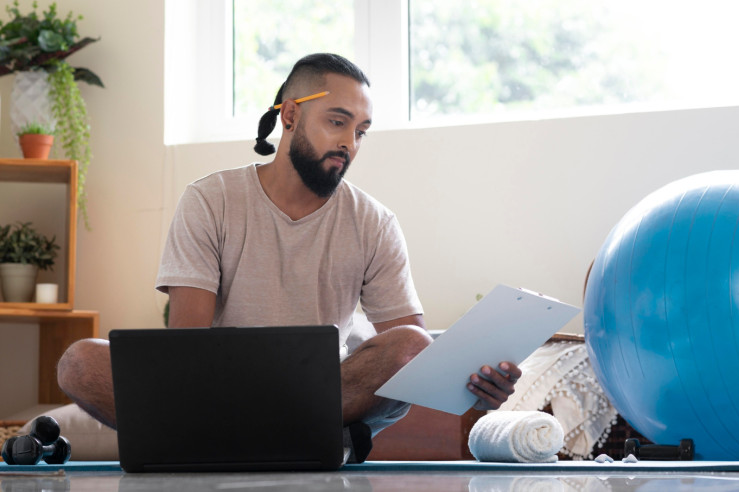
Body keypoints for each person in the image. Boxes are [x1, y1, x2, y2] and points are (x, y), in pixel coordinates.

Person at [57, 53, 521, 451]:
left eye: (361, 131)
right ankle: (283, 441)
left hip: (319, 396)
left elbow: (413, 353)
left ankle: (223, 443)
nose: (349, 143)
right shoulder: (210, 200)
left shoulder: (374, 222)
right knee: (79, 361)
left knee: (412, 346)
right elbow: (187, 349)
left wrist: (474, 388)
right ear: (291, 115)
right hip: (215, 390)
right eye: (337, 122)